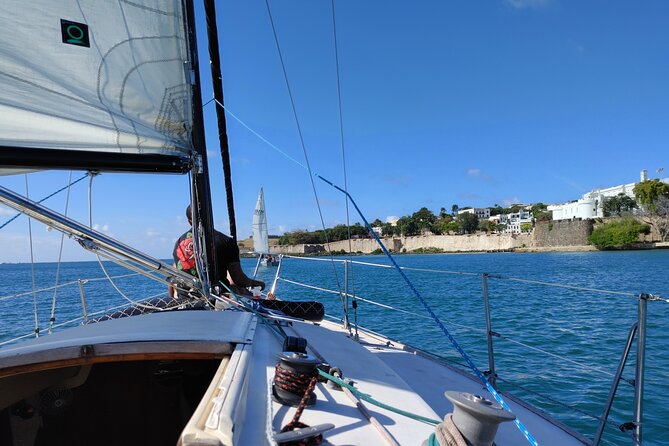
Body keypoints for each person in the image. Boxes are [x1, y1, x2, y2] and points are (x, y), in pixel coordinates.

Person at [170, 204, 264, 298]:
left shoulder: (179, 244)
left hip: (185, 300)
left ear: (189, 221)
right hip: (217, 299)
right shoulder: (226, 242)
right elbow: (239, 279)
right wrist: (257, 283)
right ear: (210, 217)